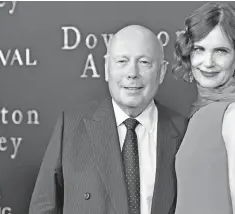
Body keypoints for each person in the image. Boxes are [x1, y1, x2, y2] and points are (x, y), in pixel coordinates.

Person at [29, 25, 188, 214]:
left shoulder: (184, 132)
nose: (132, 73)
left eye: (144, 62)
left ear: (161, 71)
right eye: (122, 61)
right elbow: (43, 208)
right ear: (106, 68)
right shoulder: (70, 127)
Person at [173, 2, 235, 214]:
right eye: (199, 49)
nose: (208, 62)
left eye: (220, 51)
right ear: (188, 53)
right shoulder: (202, 112)